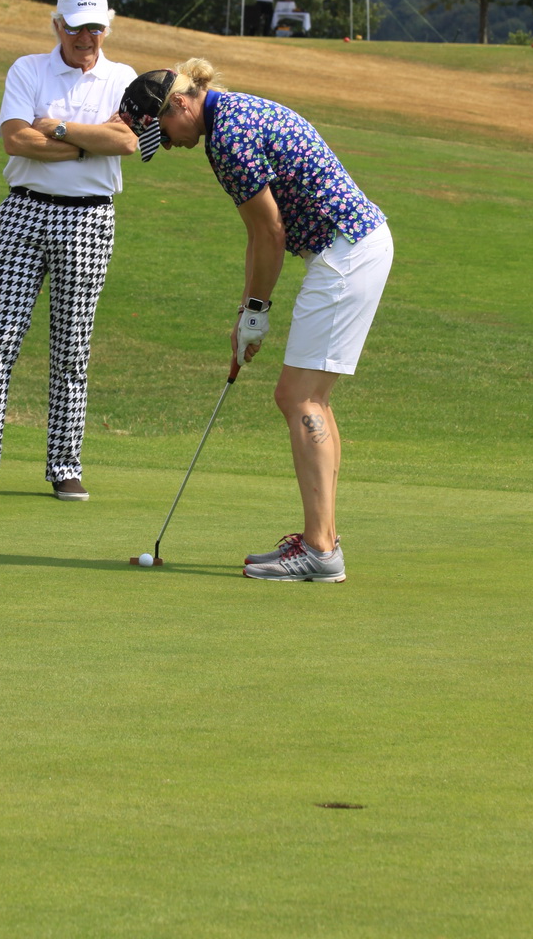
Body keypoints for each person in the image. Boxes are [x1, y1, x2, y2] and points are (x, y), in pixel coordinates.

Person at [118, 58, 393, 581]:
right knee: (310, 397)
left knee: (298, 397)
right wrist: (248, 311)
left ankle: (319, 551)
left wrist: (259, 313)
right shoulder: (234, 116)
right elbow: (257, 235)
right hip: (352, 247)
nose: (169, 145)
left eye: (163, 133)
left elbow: (271, 234)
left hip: (345, 252)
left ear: (180, 104)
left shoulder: (228, 140)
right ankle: (323, 540)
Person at [0, 0, 138, 501]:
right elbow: (16, 140)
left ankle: (65, 466)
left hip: (90, 220)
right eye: (76, 28)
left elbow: (126, 141)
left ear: (107, 26)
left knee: (72, 350)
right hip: (25, 211)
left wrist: (55, 130)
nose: (86, 38)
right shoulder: (27, 70)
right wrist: (88, 143)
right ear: (57, 25)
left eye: (95, 28)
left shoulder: (122, 78)